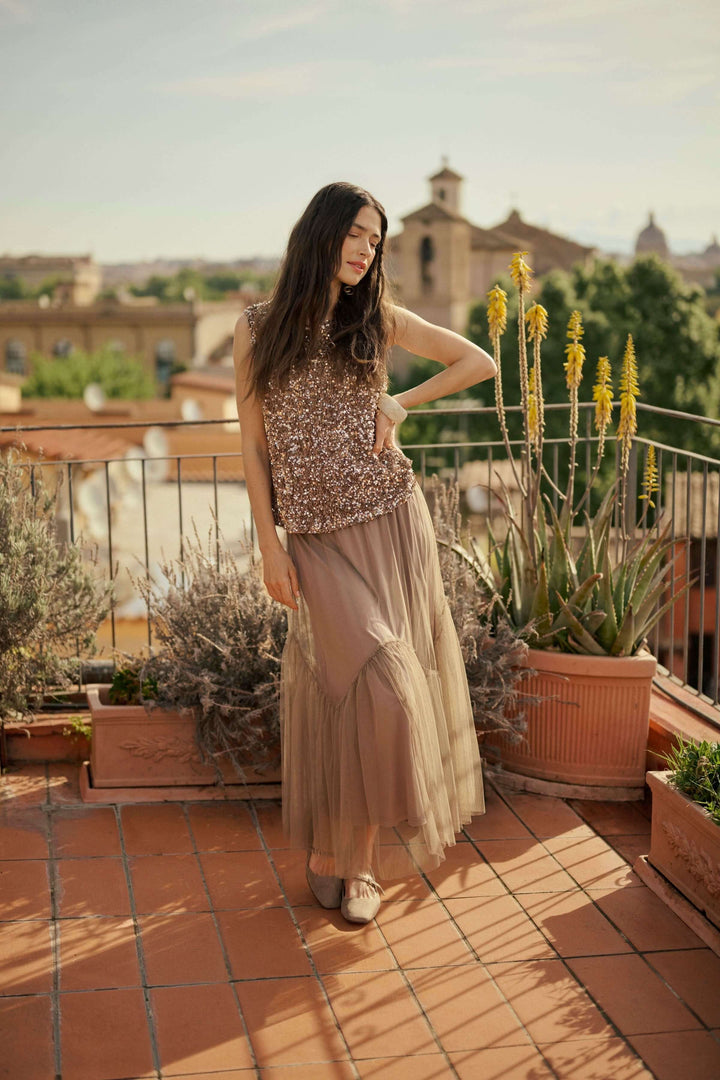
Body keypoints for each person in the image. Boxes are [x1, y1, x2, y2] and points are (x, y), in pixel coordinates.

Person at [233, 181, 496, 925]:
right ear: (319, 232)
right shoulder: (256, 328)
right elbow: (252, 449)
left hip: (390, 521)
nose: (364, 250)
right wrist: (269, 546)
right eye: (354, 232)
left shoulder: (374, 317)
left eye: (375, 240)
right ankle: (344, 856)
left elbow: (477, 361)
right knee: (367, 684)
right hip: (314, 541)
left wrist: (401, 403)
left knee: (375, 699)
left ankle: (355, 863)